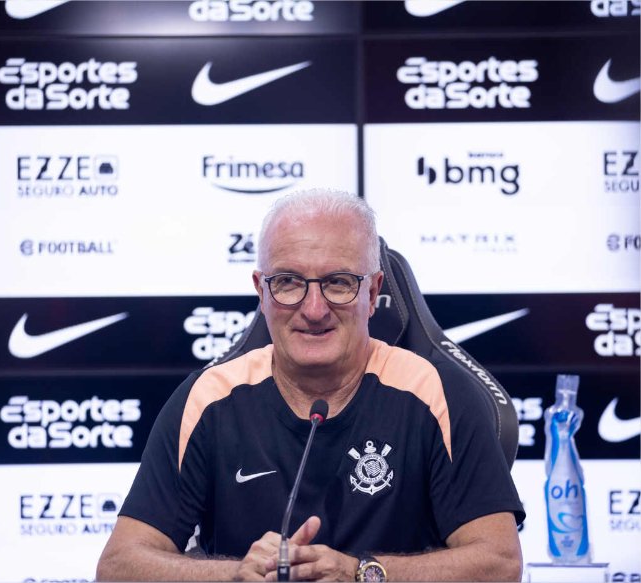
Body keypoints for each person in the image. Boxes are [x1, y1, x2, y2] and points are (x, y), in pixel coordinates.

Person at [96, 189, 524, 582]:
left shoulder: (437, 392)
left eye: (338, 283)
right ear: (261, 292)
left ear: (373, 293)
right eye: (288, 282)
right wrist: (235, 576)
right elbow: (117, 567)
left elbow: (501, 565)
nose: (314, 309)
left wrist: (362, 573)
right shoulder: (208, 398)